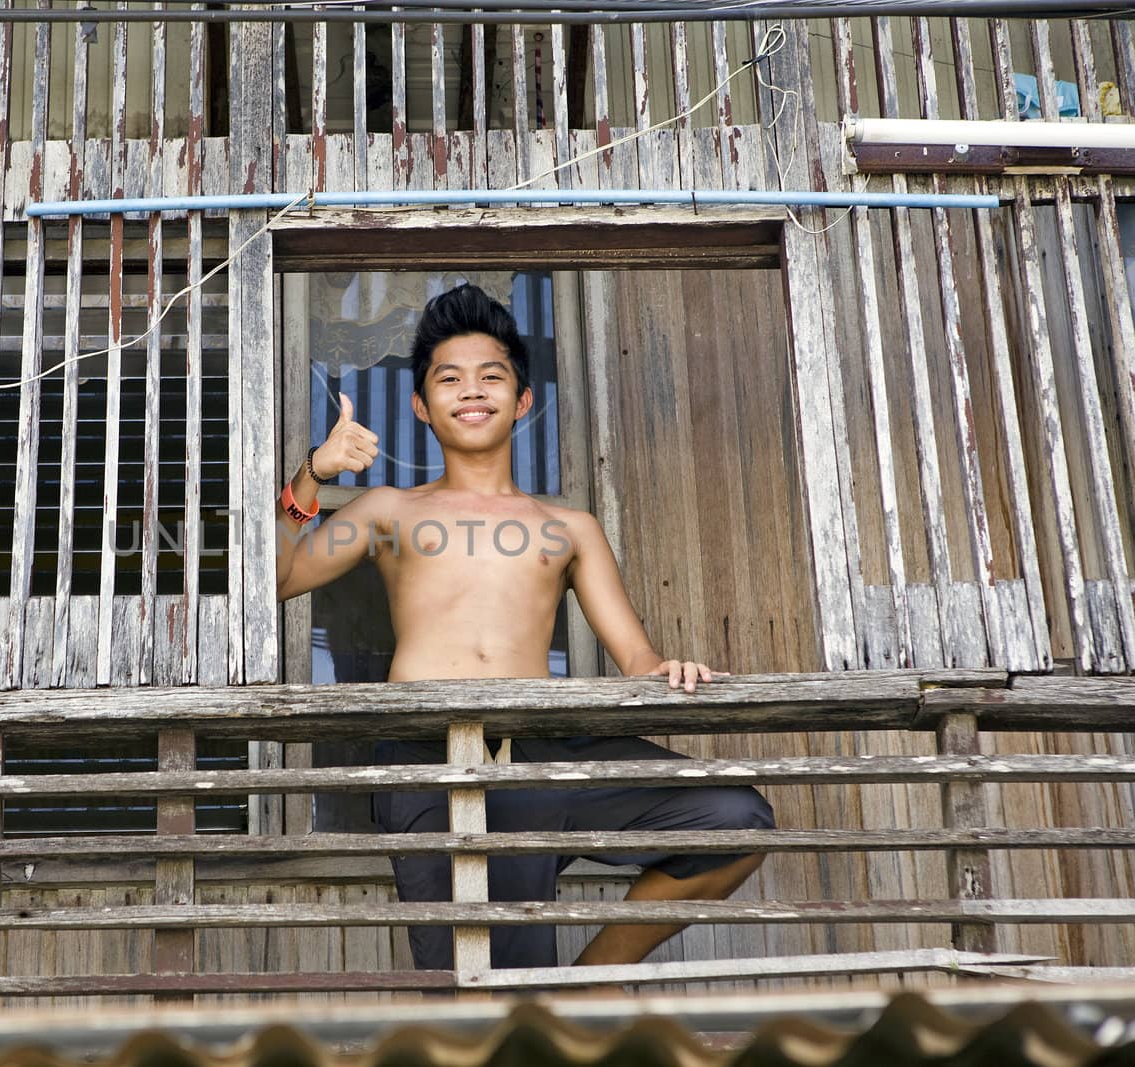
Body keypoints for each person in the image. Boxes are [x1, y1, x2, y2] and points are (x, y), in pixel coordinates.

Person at [274, 282, 775, 971]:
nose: (471, 391)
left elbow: (635, 657)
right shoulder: (388, 508)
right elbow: (280, 578)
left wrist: (669, 670)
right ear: (421, 405)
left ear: (523, 400)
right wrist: (314, 473)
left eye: (492, 376)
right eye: (449, 378)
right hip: (429, 759)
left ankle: (595, 980)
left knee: (734, 818)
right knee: (482, 991)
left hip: (545, 748)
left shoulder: (569, 528)